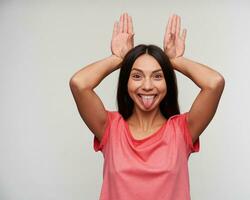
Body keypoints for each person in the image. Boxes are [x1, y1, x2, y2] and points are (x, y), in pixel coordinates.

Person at [69, 12, 225, 200]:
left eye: (158, 76)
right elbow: (79, 83)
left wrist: (175, 61)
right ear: (126, 82)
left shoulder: (183, 130)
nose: (147, 86)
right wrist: (118, 59)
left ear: (168, 83)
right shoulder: (109, 128)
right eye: (137, 76)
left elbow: (214, 83)